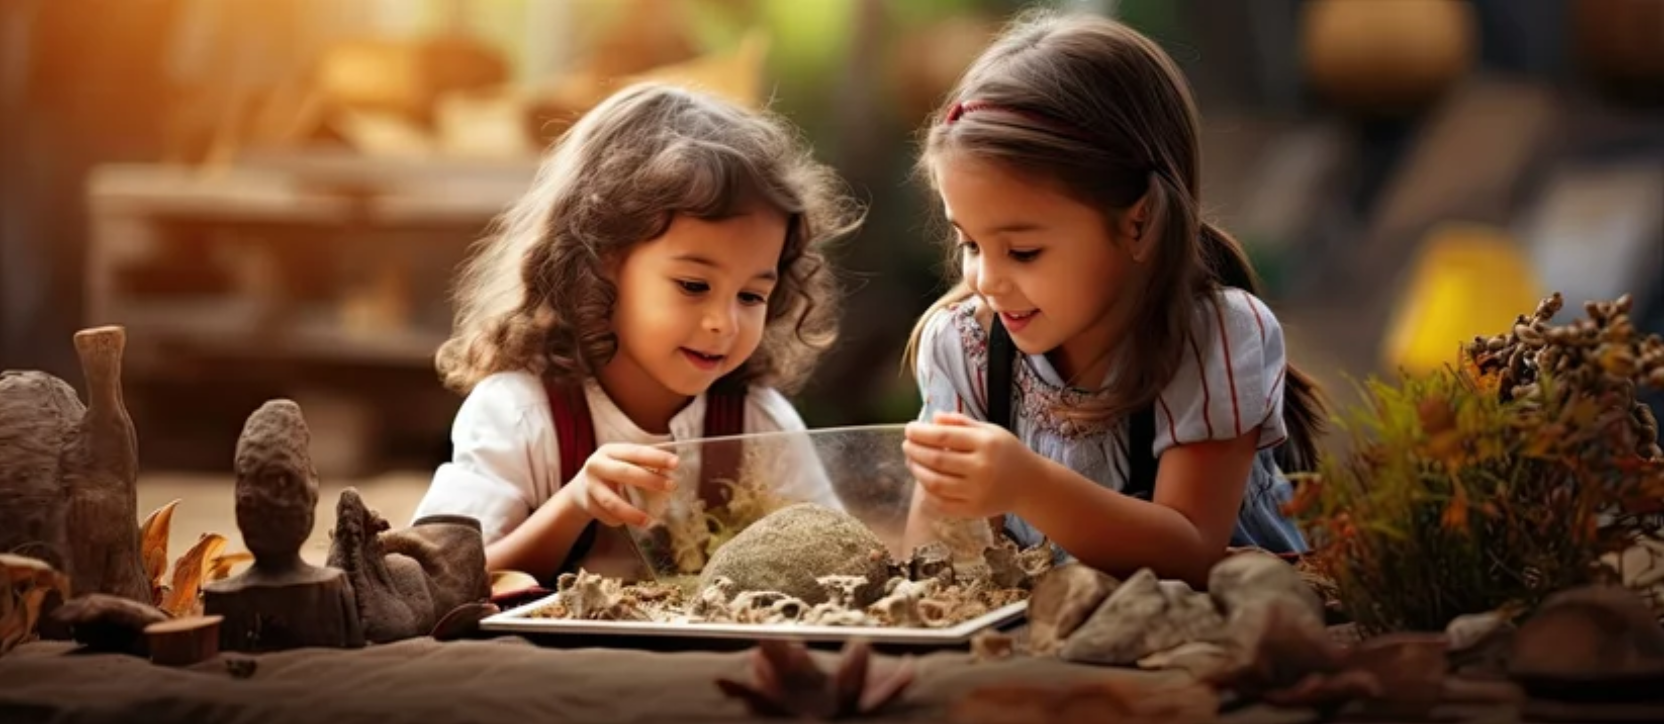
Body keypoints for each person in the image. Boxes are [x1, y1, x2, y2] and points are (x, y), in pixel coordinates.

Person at [900, 10, 1327, 587]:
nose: (986, 281)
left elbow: (1193, 550)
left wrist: (1028, 483)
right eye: (970, 243)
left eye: (1023, 251)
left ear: (1139, 222)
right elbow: (937, 553)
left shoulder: (1209, 340)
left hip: (1218, 634)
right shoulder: (966, 348)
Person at [413, 82, 861, 580]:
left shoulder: (758, 425)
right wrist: (574, 504)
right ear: (601, 265)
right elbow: (440, 582)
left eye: (751, 296)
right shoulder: (519, 416)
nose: (724, 322)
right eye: (694, 285)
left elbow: (838, 565)